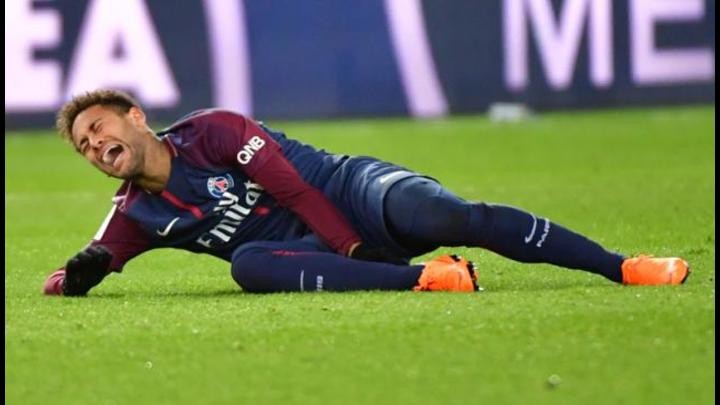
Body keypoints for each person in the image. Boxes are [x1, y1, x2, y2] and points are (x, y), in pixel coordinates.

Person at [43, 89, 690, 296]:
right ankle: (426, 279)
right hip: (318, 250)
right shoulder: (135, 214)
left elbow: (297, 188)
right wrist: (77, 277)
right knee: (248, 265)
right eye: (84, 146)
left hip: (349, 192)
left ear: (135, 116)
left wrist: (353, 247)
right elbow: (65, 279)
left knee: (445, 214)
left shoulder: (213, 131)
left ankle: (622, 267)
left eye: (99, 128)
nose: (95, 145)